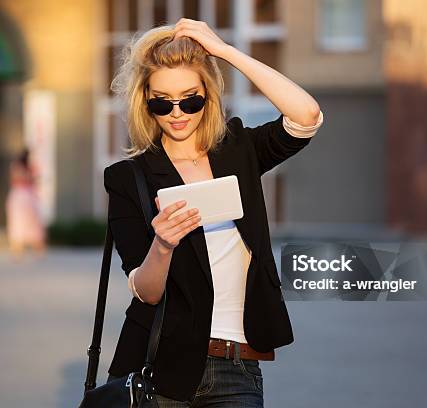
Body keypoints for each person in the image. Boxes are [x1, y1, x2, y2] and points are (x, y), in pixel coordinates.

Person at [103, 18, 323, 407]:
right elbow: (145, 291)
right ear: (145, 102)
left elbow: (306, 116)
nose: (177, 113)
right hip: (161, 371)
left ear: (208, 95)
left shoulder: (239, 148)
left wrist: (224, 51)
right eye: (161, 102)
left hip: (237, 369)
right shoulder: (128, 178)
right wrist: (163, 245)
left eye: (190, 99)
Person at [5, 148, 46, 259]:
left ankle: (34, 250)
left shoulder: (25, 166)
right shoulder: (19, 167)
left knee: (30, 224)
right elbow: (22, 178)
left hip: (23, 196)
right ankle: (18, 251)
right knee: (20, 224)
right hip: (22, 196)